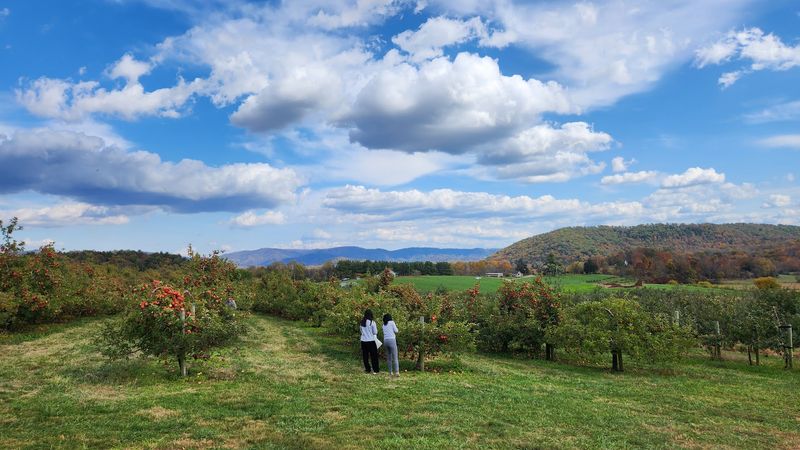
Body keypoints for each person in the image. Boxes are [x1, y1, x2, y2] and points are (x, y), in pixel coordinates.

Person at [360, 309, 380, 374]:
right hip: (371, 341)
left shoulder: (362, 322)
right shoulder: (372, 322)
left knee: (365, 356)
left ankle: (367, 369)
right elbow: (375, 332)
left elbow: (361, 331)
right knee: (374, 356)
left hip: (363, 341)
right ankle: (375, 370)